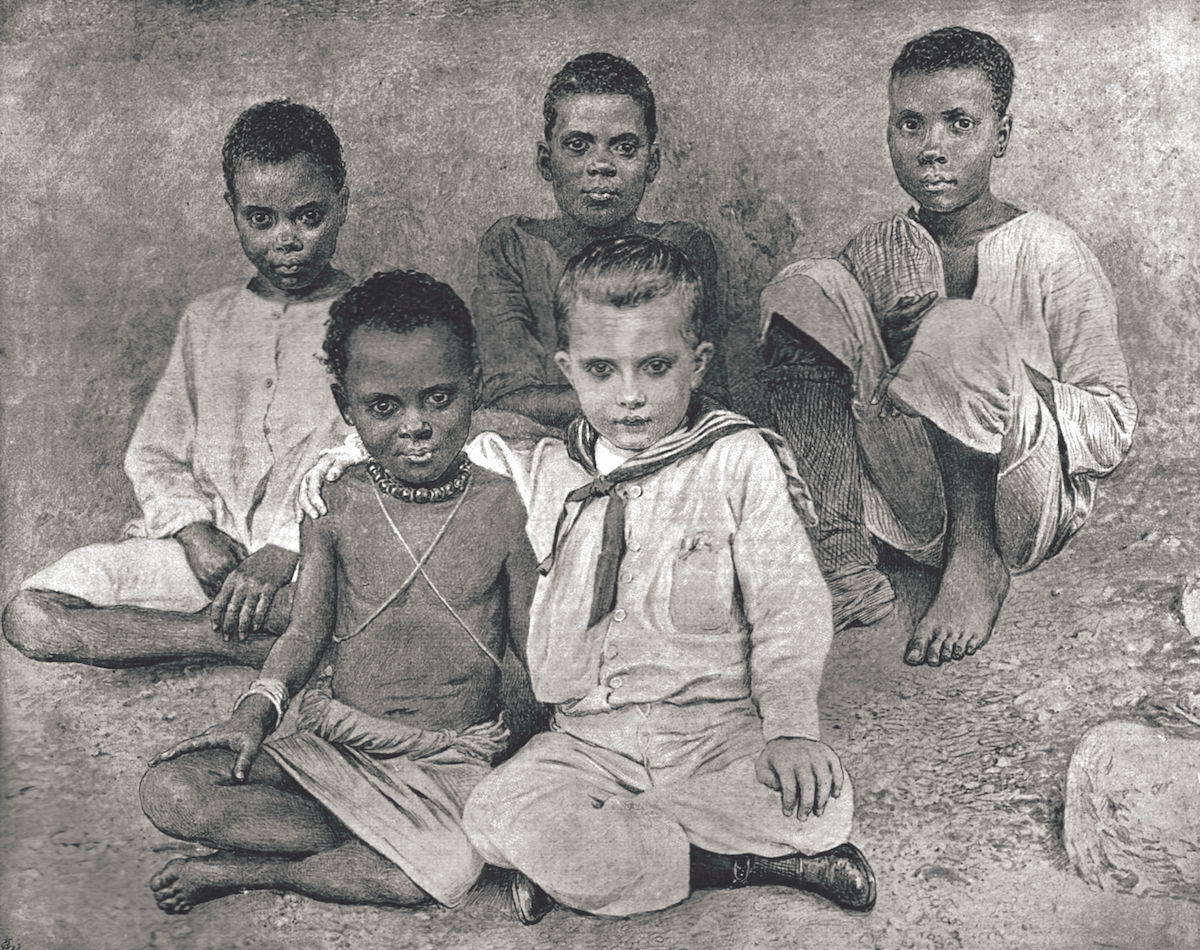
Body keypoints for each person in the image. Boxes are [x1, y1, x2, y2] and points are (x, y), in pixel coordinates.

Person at [300, 236, 875, 919]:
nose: (629, 397)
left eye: (655, 367)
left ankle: (600, 855)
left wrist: (789, 729)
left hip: (714, 733)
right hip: (590, 742)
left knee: (822, 799)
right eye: (602, 371)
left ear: (699, 364)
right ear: (568, 370)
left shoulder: (736, 461)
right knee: (491, 811)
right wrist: (337, 460)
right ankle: (730, 863)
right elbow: (421, 438)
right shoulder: (542, 467)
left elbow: (790, 606)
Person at [139, 269, 548, 923]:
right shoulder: (332, 502)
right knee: (172, 790)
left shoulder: (501, 505)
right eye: (385, 406)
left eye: (439, 398)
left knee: (432, 875)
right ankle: (370, 843)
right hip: (336, 747)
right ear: (345, 402)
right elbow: (306, 633)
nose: (416, 426)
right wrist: (257, 710)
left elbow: (534, 645)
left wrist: (573, 743)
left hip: (449, 762)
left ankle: (258, 872)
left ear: (475, 381)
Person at [751, 27, 1136, 665]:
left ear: (1001, 135)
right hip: (907, 502)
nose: (932, 149)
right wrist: (893, 364)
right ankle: (845, 555)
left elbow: (1115, 426)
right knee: (803, 288)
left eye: (959, 124)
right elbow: (841, 378)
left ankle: (975, 561)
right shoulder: (882, 246)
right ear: (889, 133)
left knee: (959, 327)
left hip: (1017, 501)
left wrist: (1003, 375)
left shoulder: (1049, 248)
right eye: (911, 125)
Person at [3, 99, 356, 668]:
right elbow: (156, 453)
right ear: (233, 209)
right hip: (206, 564)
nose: (286, 239)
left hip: (309, 568)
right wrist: (195, 533)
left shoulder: (371, 321)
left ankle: (277, 630)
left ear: (342, 203)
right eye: (261, 219)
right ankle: (221, 641)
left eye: (308, 216)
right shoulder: (206, 321)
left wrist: (285, 549)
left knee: (354, 611)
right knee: (29, 615)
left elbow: (368, 457)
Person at [473, 51, 728, 435]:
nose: (601, 165)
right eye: (578, 145)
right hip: (540, 449)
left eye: (625, 147)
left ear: (652, 163)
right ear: (546, 162)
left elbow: (703, 392)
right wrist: (640, 396)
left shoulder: (682, 247)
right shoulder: (514, 246)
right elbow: (505, 399)